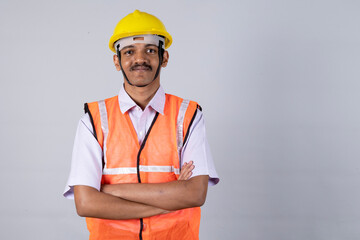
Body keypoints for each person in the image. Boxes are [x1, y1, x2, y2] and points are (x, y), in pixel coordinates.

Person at [63, 9, 219, 240]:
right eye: (129, 51)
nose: (139, 59)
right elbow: (85, 203)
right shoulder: (93, 119)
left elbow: (195, 194)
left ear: (164, 58)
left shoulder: (189, 115)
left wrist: (107, 192)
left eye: (149, 50)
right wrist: (169, 200)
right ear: (117, 61)